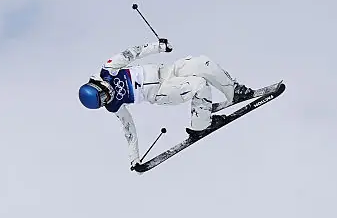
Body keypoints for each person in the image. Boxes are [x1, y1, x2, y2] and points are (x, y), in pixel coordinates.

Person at [78, 38, 255, 168]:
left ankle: (233, 92)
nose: (106, 99)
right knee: (199, 85)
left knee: (203, 63)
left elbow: (133, 52)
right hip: (162, 91)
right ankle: (201, 125)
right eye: (102, 102)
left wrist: (159, 47)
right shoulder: (113, 105)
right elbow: (128, 129)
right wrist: (135, 159)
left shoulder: (109, 70)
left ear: (98, 86)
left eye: (102, 96)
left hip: (168, 71)